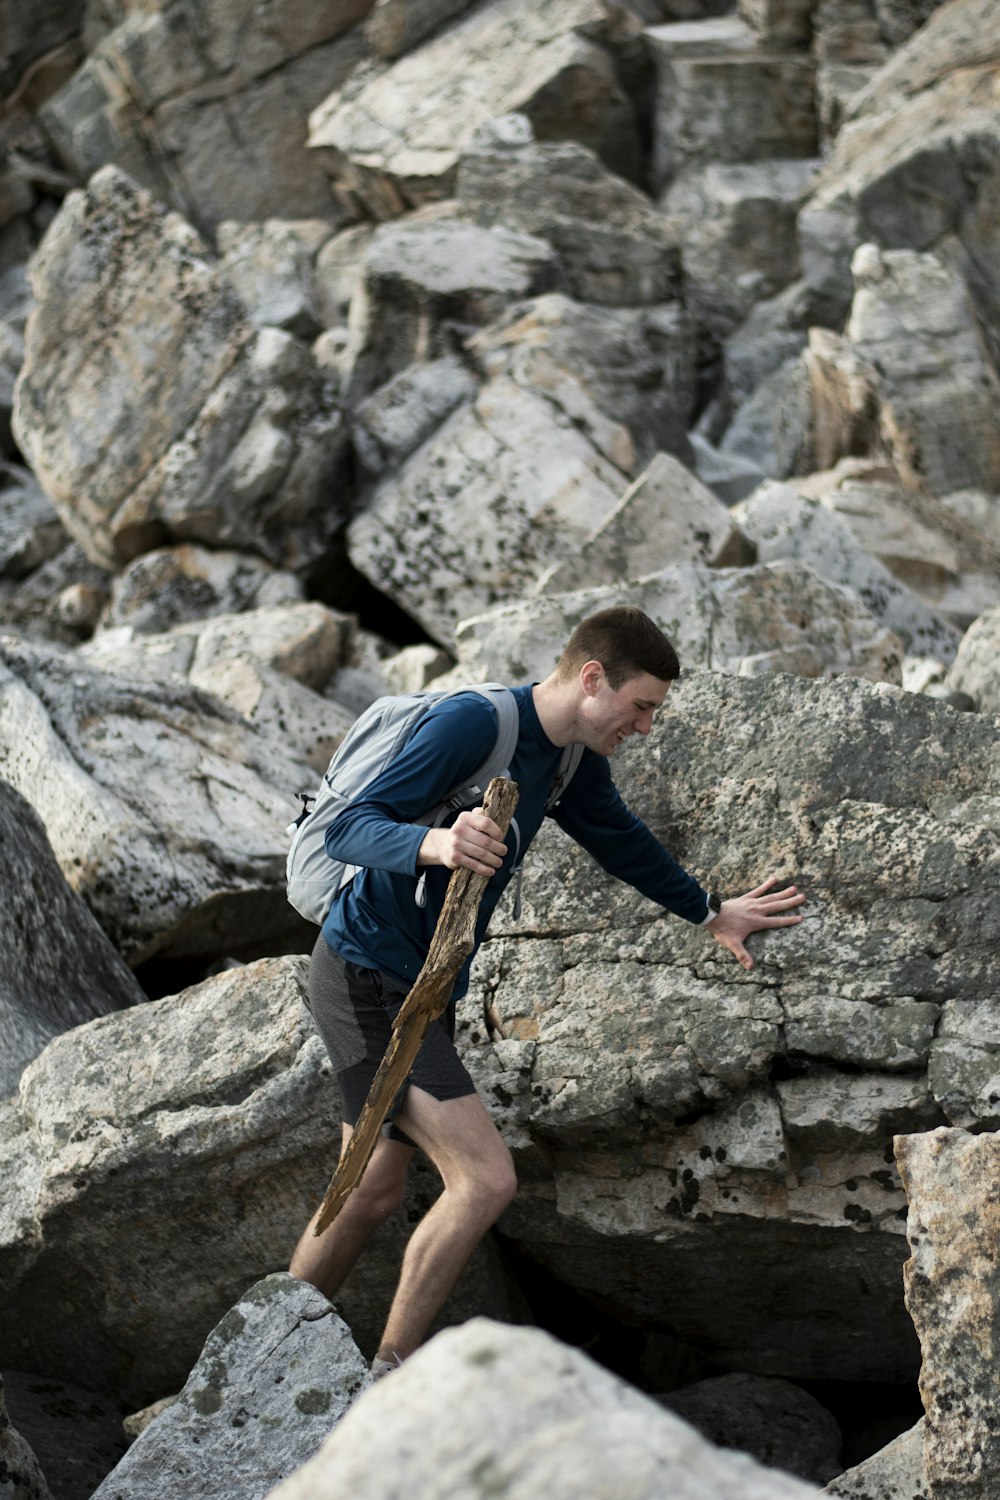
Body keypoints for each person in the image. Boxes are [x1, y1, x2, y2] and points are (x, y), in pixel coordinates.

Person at [288, 606, 804, 1376]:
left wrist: (711, 911)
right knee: (485, 1180)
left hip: (421, 992)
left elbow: (620, 840)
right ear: (592, 679)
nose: (646, 727)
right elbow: (349, 829)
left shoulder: (567, 760)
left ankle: (262, 1356)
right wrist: (437, 842)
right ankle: (388, 1381)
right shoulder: (472, 725)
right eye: (640, 707)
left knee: (367, 1191)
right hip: (365, 974)